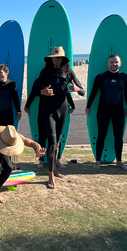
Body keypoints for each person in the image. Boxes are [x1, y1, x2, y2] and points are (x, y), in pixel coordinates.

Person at [24, 46, 85, 189]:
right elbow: (34, 90)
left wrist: (76, 89)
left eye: (59, 58)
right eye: (54, 58)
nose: (57, 60)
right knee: (51, 141)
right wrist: (42, 92)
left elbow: (82, 91)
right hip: (48, 110)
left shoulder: (69, 72)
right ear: (51, 59)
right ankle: (50, 176)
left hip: (62, 110)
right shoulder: (45, 72)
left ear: (63, 59)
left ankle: (55, 169)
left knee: (57, 141)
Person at [0, 124, 45, 205]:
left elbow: (32, 143)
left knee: (9, 167)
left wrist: (38, 149)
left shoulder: (12, 137)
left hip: (1, 146)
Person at [85, 55, 127, 171]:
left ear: (120, 63)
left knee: (118, 136)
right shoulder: (101, 77)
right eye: (111, 62)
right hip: (103, 110)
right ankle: (97, 161)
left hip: (119, 111)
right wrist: (88, 106)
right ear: (108, 64)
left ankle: (119, 161)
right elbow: (93, 92)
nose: (114, 64)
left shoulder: (125, 77)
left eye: (116, 62)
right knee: (101, 135)